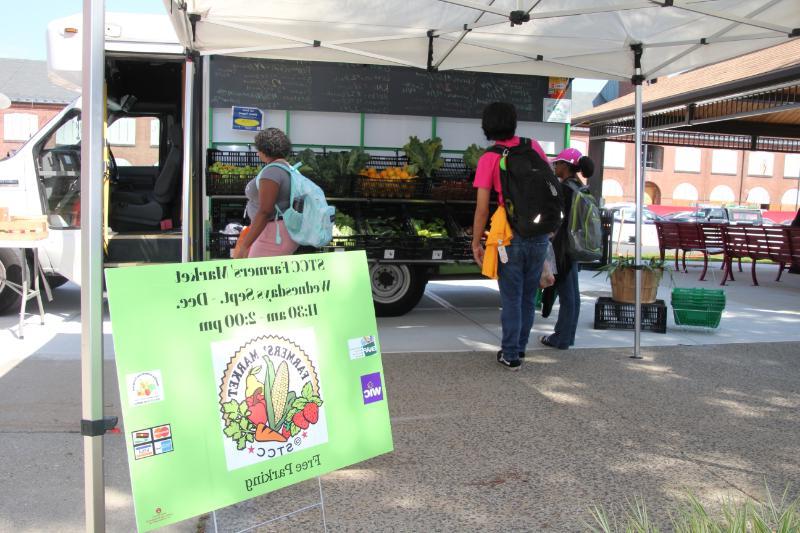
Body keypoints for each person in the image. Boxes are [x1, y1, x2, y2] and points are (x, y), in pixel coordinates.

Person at [472, 102, 551, 370]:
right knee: (529, 296)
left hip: (509, 236)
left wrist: (475, 241)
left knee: (511, 298)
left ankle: (510, 353)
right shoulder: (534, 146)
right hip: (539, 234)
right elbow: (550, 187)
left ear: (487, 126)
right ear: (514, 122)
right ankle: (520, 347)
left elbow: (483, 209)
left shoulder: (489, 158)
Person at [539, 148, 595, 350]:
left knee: (567, 294)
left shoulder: (565, 189)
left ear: (566, 165)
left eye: (557, 163)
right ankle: (567, 336)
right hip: (575, 245)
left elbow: (554, 218)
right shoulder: (581, 188)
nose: (555, 166)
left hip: (563, 245)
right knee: (572, 293)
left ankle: (560, 338)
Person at [233, 128, 299, 259]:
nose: (258, 154)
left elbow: (265, 211)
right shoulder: (287, 168)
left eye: (259, 150)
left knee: (256, 276)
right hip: (279, 232)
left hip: (273, 235)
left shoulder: (272, 172)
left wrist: (245, 245)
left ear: (265, 150)